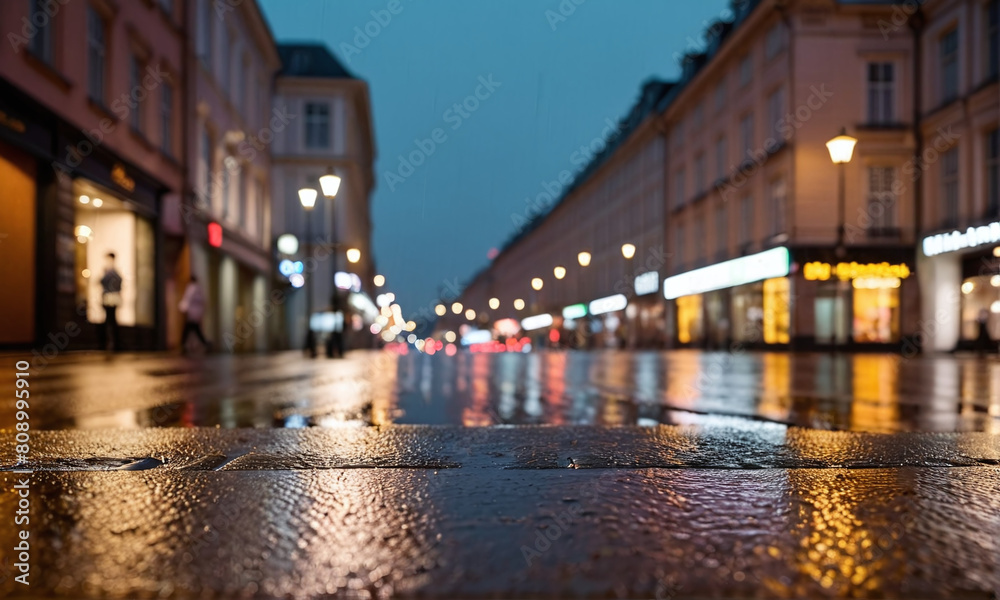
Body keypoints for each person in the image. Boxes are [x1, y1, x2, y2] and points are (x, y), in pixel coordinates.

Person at [179, 276, 210, 353]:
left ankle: (183, 345)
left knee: (189, 330)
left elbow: (187, 299)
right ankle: (205, 343)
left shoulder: (191, 288)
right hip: (197, 314)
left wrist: (183, 308)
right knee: (195, 330)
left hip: (191, 314)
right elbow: (203, 302)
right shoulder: (200, 290)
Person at [98, 252, 122, 351]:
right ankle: (111, 342)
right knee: (110, 320)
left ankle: (112, 343)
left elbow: (106, 282)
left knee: (110, 320)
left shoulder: (112, 273)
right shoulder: (110, 272)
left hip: (110, 298)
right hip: (109, 298)